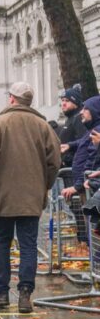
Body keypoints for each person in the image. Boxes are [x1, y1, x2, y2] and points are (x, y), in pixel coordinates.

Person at [0, 82, 60, 313]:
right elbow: (54, 163)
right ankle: (25, 294)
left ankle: (1, 293)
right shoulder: (43, 126)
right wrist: (44, 185)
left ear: (12, 99)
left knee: (2, 241)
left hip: (3, 195)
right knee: (28, 244)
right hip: (31, 195)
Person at [61, 95, 100, 243]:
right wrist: (70, 145)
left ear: (95, 111)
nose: (81, 112)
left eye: (86, 109)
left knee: (94, 232)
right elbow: (83, 142)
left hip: (90, 188)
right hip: (87, 187)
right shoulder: (92, 130)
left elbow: (92, 159)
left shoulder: (97, 132)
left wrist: (77, 187)